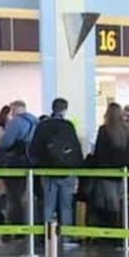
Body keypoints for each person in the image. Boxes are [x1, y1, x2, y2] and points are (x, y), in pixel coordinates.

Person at [27, 97, 84, 240]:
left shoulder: (43, 126)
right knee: (66, 206)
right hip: (66, 172)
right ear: (65, 109)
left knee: (48, 205)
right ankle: (67, 237)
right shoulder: (68, 126)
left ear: (52, 108)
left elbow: (34, 148)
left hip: (47, 171)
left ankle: (48, 236)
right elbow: (75, 149)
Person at [87, 103, 129, 232]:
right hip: (122, 172)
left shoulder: (104, 130)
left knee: (108, 202)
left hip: (106, 172)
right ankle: (120, 231)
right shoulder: (127, 131)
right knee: (118, 202)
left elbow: (99, 153)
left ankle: (110, 231)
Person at [0, 100, 38, 231]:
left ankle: (16, 227)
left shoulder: (16, 122)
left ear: (14, 110)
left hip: (16, 164)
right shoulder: (36, 121)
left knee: (14, 197)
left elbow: (5, 143)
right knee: (29, 196)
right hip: (32, 164)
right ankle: (31, 225)